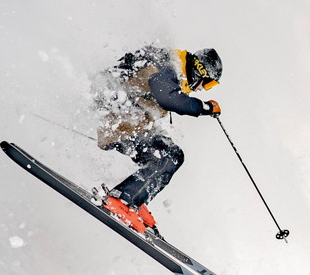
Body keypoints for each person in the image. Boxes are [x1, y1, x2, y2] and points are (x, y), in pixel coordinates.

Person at [91, 45, 223, 234]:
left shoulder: (171, 67)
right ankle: (123, 199)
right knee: (169, 156)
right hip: (116, 116)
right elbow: (169, 99)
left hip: (124, 118)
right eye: (208, 83)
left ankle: (136, 197)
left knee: (169, 154)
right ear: (200, 71)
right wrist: (206, 108)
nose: (203, 89)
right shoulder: (168, 64)